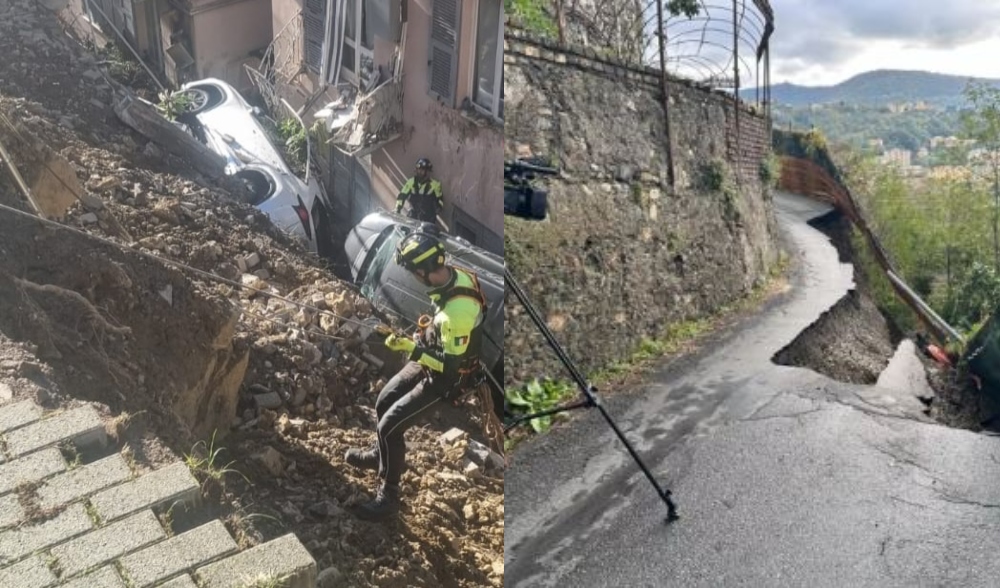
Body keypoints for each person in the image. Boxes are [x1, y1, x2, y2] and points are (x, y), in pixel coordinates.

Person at [346, 225, 487, 521]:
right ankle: (378, 455)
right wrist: (419, 343)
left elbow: (449, 365)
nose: (413, 277)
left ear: (422, 271)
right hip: (431, 355)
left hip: (445, 380)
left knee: (390, 426)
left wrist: (412, 348)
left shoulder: (457, 313)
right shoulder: (454, 276)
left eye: (412, 272)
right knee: (383, 400)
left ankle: (389, 496)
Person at [395, 158, 444, 224]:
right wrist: (397, 209)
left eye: (422, 170)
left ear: (428, 172)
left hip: (428, 219)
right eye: (418, 170)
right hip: (413, 216)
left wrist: (438, 208)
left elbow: (440, 200)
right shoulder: (411, 182)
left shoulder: (435, 185)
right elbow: (401, 196)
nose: (419, 172)